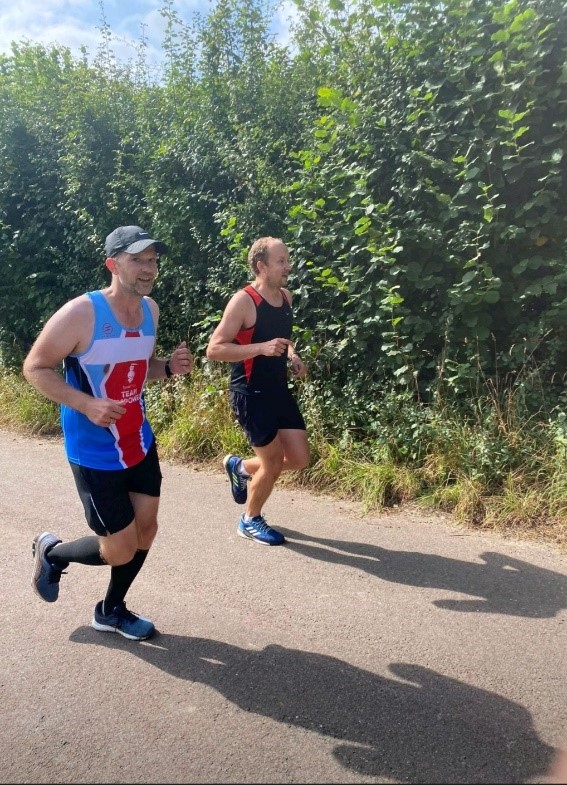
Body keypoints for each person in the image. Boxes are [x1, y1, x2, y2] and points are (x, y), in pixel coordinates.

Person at [23, 225, 193, 640]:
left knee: (146, 530)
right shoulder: (82, 314)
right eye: (137, 260)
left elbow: (138, 369)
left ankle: (111, 610)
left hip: (138, 440)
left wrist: (168, 367)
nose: (149, 268)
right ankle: (53, 553)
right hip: (94, 451)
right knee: (118, 547)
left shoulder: (150, 310)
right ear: (113, 264)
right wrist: (86, 403)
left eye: (153, 260)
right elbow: (35, 368)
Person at [206, 236, 310, 546]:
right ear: (261, 266)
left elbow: (282, 339)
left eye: (287, 260)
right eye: (280, 261)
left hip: (278, 390)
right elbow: (214, 349)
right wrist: (260, 349)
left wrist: (291, 355)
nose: (287, 267)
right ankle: (250, 519)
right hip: (250, 393)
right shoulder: (244, 301)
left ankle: (239, 467)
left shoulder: (287, 297)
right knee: (274, 462)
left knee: (300, 458)